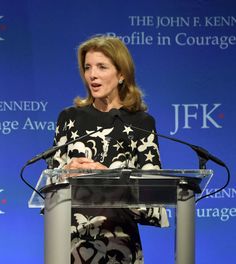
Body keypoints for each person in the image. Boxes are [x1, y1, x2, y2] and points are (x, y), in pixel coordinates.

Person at [50, 35, 169, 264]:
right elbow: (48, 191)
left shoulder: (141, 123)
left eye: (101, 67)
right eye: (87, 67)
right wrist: (65, 172)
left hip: (121, 248)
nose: (92, 75)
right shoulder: (69, 119)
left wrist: (110, 179)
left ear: (121, 73)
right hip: (73, 249)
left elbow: (154, 205)